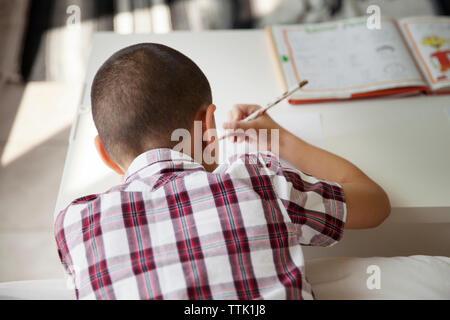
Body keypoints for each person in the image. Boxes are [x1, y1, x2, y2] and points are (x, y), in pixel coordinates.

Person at [54, 43, 390, 300]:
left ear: (103, 153)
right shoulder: (259, 181)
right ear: (207, 123)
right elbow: (376, 203)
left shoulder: (75, 225)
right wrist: (283, 142)